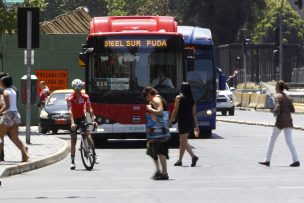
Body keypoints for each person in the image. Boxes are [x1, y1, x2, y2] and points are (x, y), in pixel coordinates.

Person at [259, 80, 300, 167]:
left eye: (275, 86)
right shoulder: (288, 97)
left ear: (278, 87)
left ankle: (267, 160)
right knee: (289, 141)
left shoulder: (278, 96)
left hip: (280, 122)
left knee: (271, 140)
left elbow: (277, 108)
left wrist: (272, 108)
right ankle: (296, 160)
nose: (274, 88)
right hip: (288, 121)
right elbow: (293, 110)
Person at [67, 79, 97, 170]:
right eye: (76, 88)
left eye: (79, 88)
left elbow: (89, 109)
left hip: (82, 117)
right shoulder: (70, 98)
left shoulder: (85, 97)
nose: (78, 90)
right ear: (73, 88)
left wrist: (92, 119)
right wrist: (72, 123)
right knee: (74, 140)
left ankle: (92, 151)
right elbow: (70, 111)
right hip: (73, 119)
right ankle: (72, 161)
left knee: (88, 133)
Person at [142, 86, 170, 180]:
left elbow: (160, 112)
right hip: (156, 131)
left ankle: (164, 172)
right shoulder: (157, 99)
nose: (147, 98)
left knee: (160, 151)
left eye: (146, 96)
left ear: (150, 93)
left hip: (158, 131)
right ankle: (159, 171)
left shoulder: (156, 99)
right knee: (153, 151)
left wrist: (150, 109)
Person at [0, 75, 29, 162]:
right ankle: (25, 155)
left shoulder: (5, 92)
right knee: (15, 138)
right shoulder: (13, 91)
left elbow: (6, 106)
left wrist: (0, 111)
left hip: (8, 115)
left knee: (0, 137)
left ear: (3, 83)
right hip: (15, 115)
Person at [169, 82, 199, 167]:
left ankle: (193, 156)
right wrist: (196, 126)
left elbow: (175, 111)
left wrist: (170, 121)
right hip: (190, 122)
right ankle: (180, 160)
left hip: (182, 121)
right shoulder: (193, 99)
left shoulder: (178, 98)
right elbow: (194, 113)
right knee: (182, 141)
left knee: (183, 141)